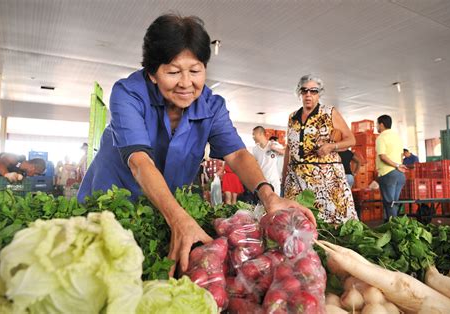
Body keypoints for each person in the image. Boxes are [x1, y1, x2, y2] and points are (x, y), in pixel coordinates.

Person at [77, 14, 316, 276]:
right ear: (152, 73)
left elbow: (236, 154)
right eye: (173, 71)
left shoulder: (212, 106)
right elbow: (139, 161)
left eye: (195, 70)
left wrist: (268, 195)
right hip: (111, 208)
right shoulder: (129, 94)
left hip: (167, 211)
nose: (186, 83)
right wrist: (178, 218)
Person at [282, 74, 357, 224]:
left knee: (331, 222)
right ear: (300, 93)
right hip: (296, 179)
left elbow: (351, 140)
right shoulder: (292, 117)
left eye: (313, 91)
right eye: (304, 91)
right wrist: (283, 178)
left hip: (326, 180)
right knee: (297, 223)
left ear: (319, 93)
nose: (308, 94)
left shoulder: (329, 112)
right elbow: (289, 148)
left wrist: (331, 146)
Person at [375, 115, 406, 220]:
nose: (377, 127)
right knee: (394, 202)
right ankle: (391, 224)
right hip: (400, 175)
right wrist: (398, 165)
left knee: (390, 203)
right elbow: (402, 155)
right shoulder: (397, 137)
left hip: (388, 173)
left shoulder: (381, 137)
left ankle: (394, 228)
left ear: (381, 125)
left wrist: (396, 165)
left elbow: (382, 156)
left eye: (377, 124)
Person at [252, 126, 283, 195]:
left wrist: (274, 148)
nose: (253, 137)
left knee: (275, 203)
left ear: (260, 134)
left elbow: (285, 153)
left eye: (254, 134)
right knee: (263, 204)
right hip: (262, 182)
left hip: (274, 180)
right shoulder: (255, 149)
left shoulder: (274, 144)